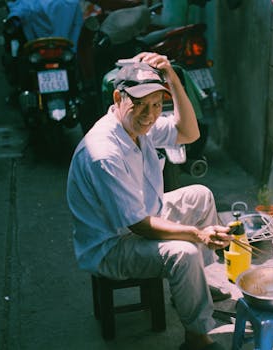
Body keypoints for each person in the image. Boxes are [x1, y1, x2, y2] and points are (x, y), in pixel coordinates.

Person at [66, 52, 232, 350]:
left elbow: (189, 132)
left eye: (157, 105)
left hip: (140, 214)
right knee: (184, 251)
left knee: (200, 195)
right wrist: (198, 235)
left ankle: (194, 286)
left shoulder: (138, 126)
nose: (149, 114)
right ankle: (196, 337)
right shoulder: (104, 152)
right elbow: (139, 225)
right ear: (118, 98)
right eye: (140, 104)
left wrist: (171, 76)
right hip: (111, 245)